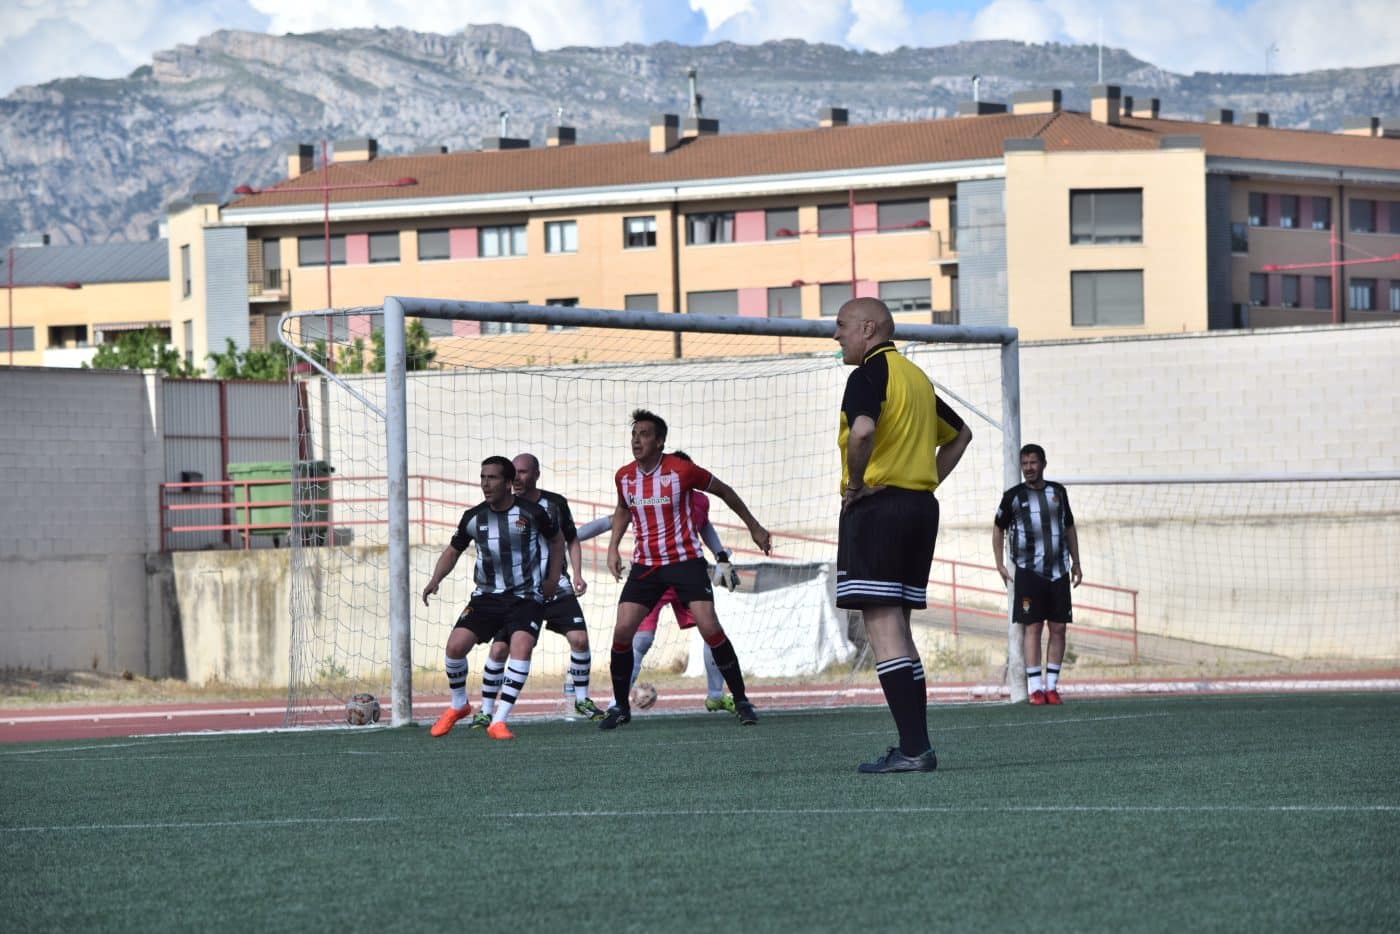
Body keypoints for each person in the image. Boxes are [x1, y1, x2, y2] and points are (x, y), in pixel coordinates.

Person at [834, 297, 972, 774]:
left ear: (868, 329)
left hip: (877, 509)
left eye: (842, 326)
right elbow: (961, 434)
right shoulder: (915, 377)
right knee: (902, 631)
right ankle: (917, 743)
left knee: (884, 627)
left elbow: (862, 433)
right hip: (919, 508)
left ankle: (913, 749)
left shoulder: (868, 374)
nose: (837, 337)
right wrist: (923, 478)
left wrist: (856, 484)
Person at [599, 409, 772, 730]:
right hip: (646, 566)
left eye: (645, 434)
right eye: (634, 434)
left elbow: (725, 491)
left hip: (685, 563)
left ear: (660, 441)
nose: (637, 440)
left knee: (710, 628)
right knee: (623, 632)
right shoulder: (624, 476)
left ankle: (742, 700)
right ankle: (620, 707)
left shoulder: (681, 470)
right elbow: (622, 509)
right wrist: (613, 548)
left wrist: (754, 527)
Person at [421, 456, 564, 740]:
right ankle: (459, 705)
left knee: (520, 647)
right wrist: (435, 579)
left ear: (509, 483)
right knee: (454, 648)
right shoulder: (473, 517)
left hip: (526, 597)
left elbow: (557, 540)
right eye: (483, 477)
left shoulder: (533, 513)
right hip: (486, 597)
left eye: (493, 478)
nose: (486, 484)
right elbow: (453, 551)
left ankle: (498, 719)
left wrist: (552, 579)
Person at [471, 453, 607, 726]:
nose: (518, 478)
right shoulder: (501, 507)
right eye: (514, 473)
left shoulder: (555, 504)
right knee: (499, 650)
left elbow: (572, 539)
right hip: (517, 593)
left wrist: (577, 574)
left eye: (523, 472)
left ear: (536, 475)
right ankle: (486, 710)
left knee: (579, 639)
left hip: (555, 586)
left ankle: (582, 699)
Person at [628, 451, 739, 713]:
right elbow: (618, 518)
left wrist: (721, 556)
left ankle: (715, 695)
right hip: (654, 574)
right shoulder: (649, 493)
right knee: (641, 640)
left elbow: (704, 526)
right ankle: (617, 702)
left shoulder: (700, 500)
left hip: (687, 574)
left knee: (711, 631)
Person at [993, 443, 1082, 705]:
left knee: (1058, 628)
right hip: (1029, 571)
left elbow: (1069, 527)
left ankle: (1052, 686)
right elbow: (998, 528)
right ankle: (1035, 688)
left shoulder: (1058, 492)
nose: (1029, 468)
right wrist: (999, 563)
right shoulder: (1012, 496)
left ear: (1043, 464)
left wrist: (1076, 562)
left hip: (1058, 571)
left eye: (1033, 463)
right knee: (1032, 627)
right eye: (1025, 464)